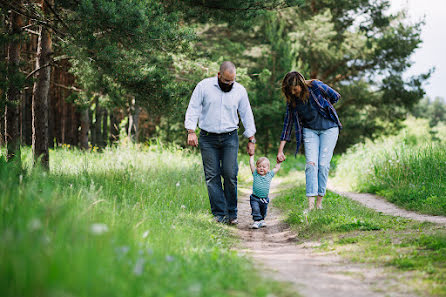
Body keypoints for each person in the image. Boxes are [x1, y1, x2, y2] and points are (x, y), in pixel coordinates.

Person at [185, 61, 256, 224]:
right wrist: (191, 130)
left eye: (232, 81)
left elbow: (247, 114)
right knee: (212, 176)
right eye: (226, 81)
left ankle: (232, 213)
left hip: (230, 137)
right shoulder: (203, 86)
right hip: (207, 137)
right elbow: (193, 108)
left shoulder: (239, 90)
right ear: (219, 75)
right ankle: (220, 214)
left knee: (230, 174)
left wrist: (251, 138)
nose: (229, 84)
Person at [277, 71, 342, 211]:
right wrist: (280, 149)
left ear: (301, 84)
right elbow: (287, 124)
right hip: (310, 130)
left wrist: (326, 107)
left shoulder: (316, 86)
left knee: (323, 165)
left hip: (329, 129)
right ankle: (311, 207)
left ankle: (319, 204)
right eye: (290, 90)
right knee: (311, 165)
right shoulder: (292, 101)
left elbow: (336, 96)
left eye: (295, 89)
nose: (293, 93)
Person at [249, 155, 281, 229]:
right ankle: (256, 221)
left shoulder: (269, 175)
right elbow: (251, 164)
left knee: (263, 211)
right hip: (255, 198)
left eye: (264, 167)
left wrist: (279, 162)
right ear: (257, 167)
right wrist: (251, 156)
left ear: (268, 168)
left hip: (265, 199)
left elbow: (276, 168)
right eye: (259, 166)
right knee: (256, 209)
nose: (261, 168)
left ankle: (262, 220)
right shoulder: (255, 174)